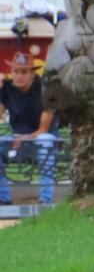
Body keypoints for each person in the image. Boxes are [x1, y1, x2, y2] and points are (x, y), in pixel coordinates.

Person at [0, 49, 57, 207]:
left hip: (41, 139)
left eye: (24, 72)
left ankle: (45, 199)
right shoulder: (7, 89)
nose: (19, 76)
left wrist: (24, 138)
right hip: (17, 140)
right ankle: (3, 198)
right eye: (16, 71)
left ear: (32, 73)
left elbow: (44, 129)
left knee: (44, 140)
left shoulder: (45, 89)